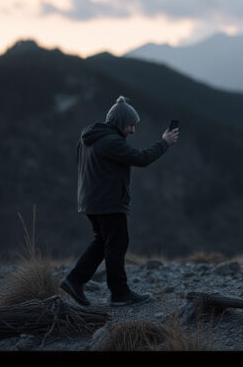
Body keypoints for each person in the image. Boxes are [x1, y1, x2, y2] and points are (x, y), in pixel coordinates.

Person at [60, 95, 179, 307]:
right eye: (131, 125)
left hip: (90, 201)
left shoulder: (88, 138)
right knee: (117, 244)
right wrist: (165, 143)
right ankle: (120, 293)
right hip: (108, 202)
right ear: (120, 123)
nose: (133, 130)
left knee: (102, 241)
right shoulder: (111, 141)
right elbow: (141, 158)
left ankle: (74, 280)